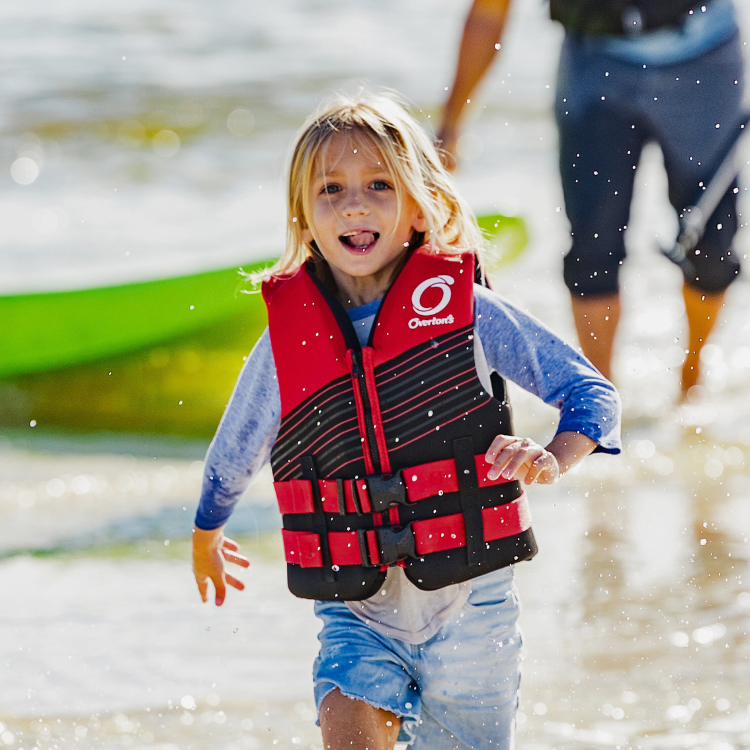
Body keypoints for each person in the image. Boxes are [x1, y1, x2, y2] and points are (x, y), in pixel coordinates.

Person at [192, 91, 621, 750]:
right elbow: (234, 450)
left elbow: (589, 392)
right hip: (356, 614)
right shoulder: (286, 343)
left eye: (378, 185)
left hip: (473, 610)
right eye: (330, 189)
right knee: (347, 730)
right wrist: (207, 529)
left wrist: (552, 456)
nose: (354, 203)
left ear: (419, 208)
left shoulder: (468, 312)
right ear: (303, 217)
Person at [438, 0, 744, 396]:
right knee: (592, 252)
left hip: (705, 59)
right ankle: (600, 407)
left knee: (713, 253)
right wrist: (451, 125)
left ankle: (692, 378)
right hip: (595, 66)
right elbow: (489, 12)